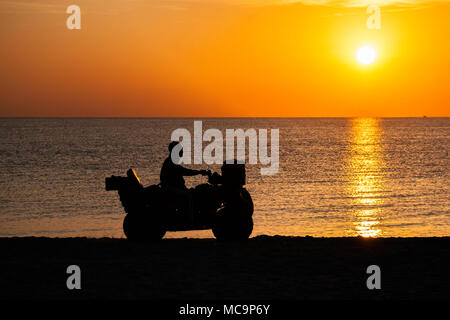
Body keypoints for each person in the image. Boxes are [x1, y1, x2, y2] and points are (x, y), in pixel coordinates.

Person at [160, 141, 209, 222]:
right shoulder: (171, 162)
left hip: (174, 187)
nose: (182, 151)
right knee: (188, 196)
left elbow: (182, 171)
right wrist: (199, 172)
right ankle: (190, 220)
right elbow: (184, 171)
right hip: (170, 188)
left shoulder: (172, 161)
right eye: (181, 150)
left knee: (194, 192)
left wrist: (199, 172)